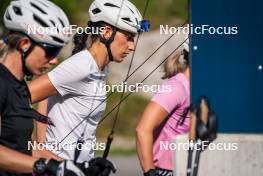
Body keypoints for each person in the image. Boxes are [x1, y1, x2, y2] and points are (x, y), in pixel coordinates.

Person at [0, 0, 116, 176]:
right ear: (24, 44)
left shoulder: (19, 88)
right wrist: (43, 167)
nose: (54, 61)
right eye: (51, 51)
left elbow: (24, 149)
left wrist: (80, 168)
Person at [29, 0, 148, 164]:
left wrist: (90, 165)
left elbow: (46, 95)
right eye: (128, 37)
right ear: (106, 32)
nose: (132, 46)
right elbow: (19, 98)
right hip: (60, 169)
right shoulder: (81, 66)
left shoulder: (99, 68)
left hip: (79, 167)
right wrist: (38, 150)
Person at [136, 38, 190, 176]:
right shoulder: (176, 87)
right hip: (167, 171)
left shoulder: (196, 88)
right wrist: (149, 172)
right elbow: (143, 130)